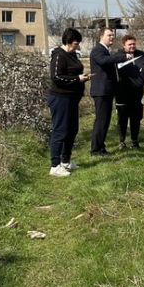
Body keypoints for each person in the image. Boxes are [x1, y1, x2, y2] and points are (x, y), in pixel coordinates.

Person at [46, 27, 91, 177]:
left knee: (72, 130)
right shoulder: (59, 55)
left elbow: (74, 72)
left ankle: (65, 161)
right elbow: (56, 77)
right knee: (60, 130)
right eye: (76, 43)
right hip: (60, 98)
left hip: (72, 99)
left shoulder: (72, 55)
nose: (78, 46)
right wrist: (77, 79)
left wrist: (82, 77)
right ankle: (55, 165)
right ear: (69, 41)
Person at [89, 27, 133, 156]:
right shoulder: (98, 50)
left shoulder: (106, 50)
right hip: (101, 91)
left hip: (107, 91)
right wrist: (122, 56)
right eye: (109, 35)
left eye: (113, 35)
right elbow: (104, 61)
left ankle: (100, 147)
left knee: (105, 121)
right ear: (101, 36)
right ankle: (96, 149)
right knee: (101, 120)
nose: (112, 37)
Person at [115, 34, 144, 149]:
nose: (132, 46)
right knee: (122, 118)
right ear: (124, 45)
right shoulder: (118, 56)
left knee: (136, 118)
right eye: (129, 44)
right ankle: (121, 141)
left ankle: (134, 141)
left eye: (134, 44)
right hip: (122, 92)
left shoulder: (142, 56)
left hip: (137, 92)